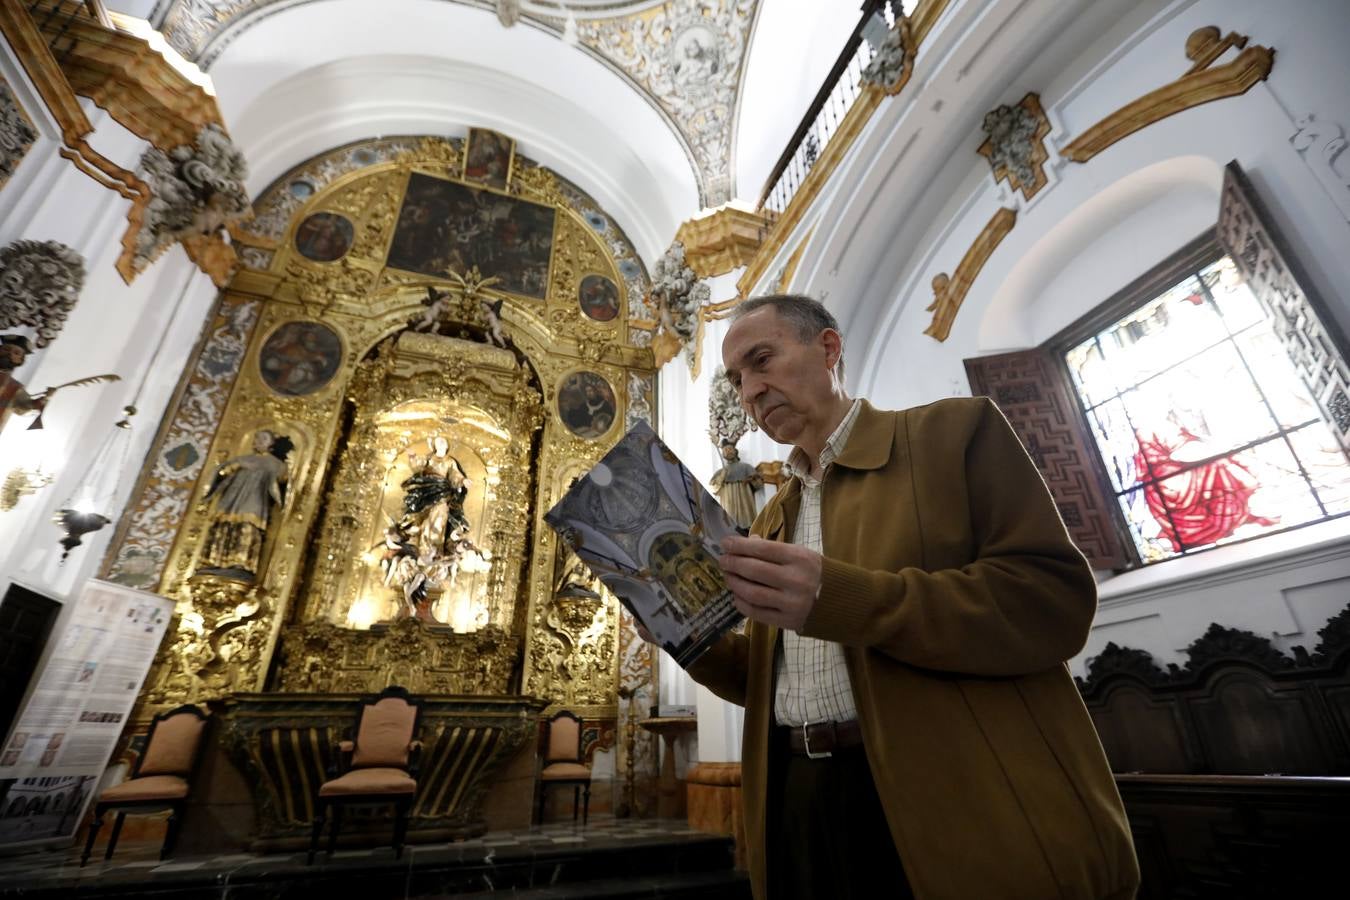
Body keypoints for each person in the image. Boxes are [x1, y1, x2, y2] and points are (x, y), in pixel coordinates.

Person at [666, 295, 1140, 900]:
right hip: (797, 798)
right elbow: (770, 683)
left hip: (948, 797)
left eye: (762, 360)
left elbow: (1052, 603)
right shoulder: (768, 523)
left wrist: (841, 597)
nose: (750, 391)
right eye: (737, 380)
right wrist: (686, 635)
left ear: (829, 348)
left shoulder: (954, 434)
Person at [195, 430, 292, 581]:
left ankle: (241, 562)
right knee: (224, 525)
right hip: (232, 499)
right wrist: (231, 467)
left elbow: (283, 484)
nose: (258, 442)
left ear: (271, 444)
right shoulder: (242, 459)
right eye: (257, 438)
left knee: (247, 526)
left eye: (263, 439)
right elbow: (220, 474)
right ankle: (214, 560)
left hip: (254, 500)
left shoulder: (276, 464)